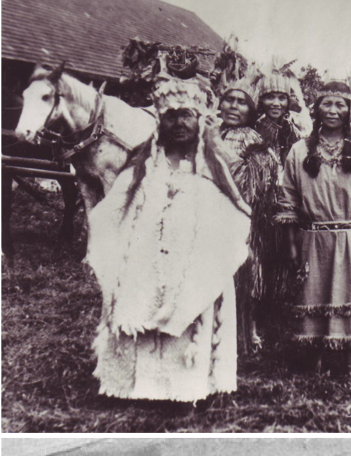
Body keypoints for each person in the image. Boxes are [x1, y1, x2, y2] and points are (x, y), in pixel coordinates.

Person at [86, 70, 251, 402]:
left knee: (186, 325)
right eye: (171, 116)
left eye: (186, 115)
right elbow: (112, 214)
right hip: (143, 267)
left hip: (190, 269)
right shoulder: (141, 168)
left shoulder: (212, 170)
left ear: (200, 120)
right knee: (139, 314)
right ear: (159, 122)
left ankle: (183, 391)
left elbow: (234, 218)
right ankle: (134, 388)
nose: (179, 123)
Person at [277, 80, 351, 384]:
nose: (333, 111)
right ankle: (319, 366)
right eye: (327, 104)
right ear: (316, 108)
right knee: (316, 295)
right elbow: (288, 197)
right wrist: (292, 243)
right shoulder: (299, 150)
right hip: (315, 238)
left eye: (341, 105)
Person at [213, 57, 279, 355]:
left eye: (241, 102)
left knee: (245, 277)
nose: (233, 107)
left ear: (251, 110)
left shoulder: (254, 140)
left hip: (243, 218)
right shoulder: (210, 132)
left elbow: (258, 181)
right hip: (208, 214)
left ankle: (247, 333)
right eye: (229, 100)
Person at [255, 59, 311, 165]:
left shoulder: (290, 129)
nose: (276, 103)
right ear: (261, 101)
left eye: (281, 98)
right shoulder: (254, 129)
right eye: (270, 97)